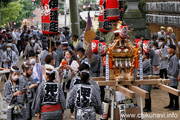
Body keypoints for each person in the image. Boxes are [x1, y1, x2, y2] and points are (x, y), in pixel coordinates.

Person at [59, 50, 79, 119]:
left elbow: (76, 72)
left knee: (72, 98)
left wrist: (69, 67)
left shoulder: (74, 62)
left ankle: (71, 112)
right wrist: (61, 68)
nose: (66, 56)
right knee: (62, 98)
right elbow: (60, 73)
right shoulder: (62, 62)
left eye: (68, 54)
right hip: (64, 82)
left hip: (71, 82)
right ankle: (62, 113)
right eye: (65, 54)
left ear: (71, 55)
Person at [164, 44, 179, 110]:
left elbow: (175, 68)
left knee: (174, 92)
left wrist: (173, 75)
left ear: (172, 50)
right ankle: (171, 104)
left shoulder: (174, 57)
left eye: (169, 48)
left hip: (172, 77)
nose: (167, 50)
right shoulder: (171, 57)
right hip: (169, 76)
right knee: (170, 91)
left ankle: (176, 106)